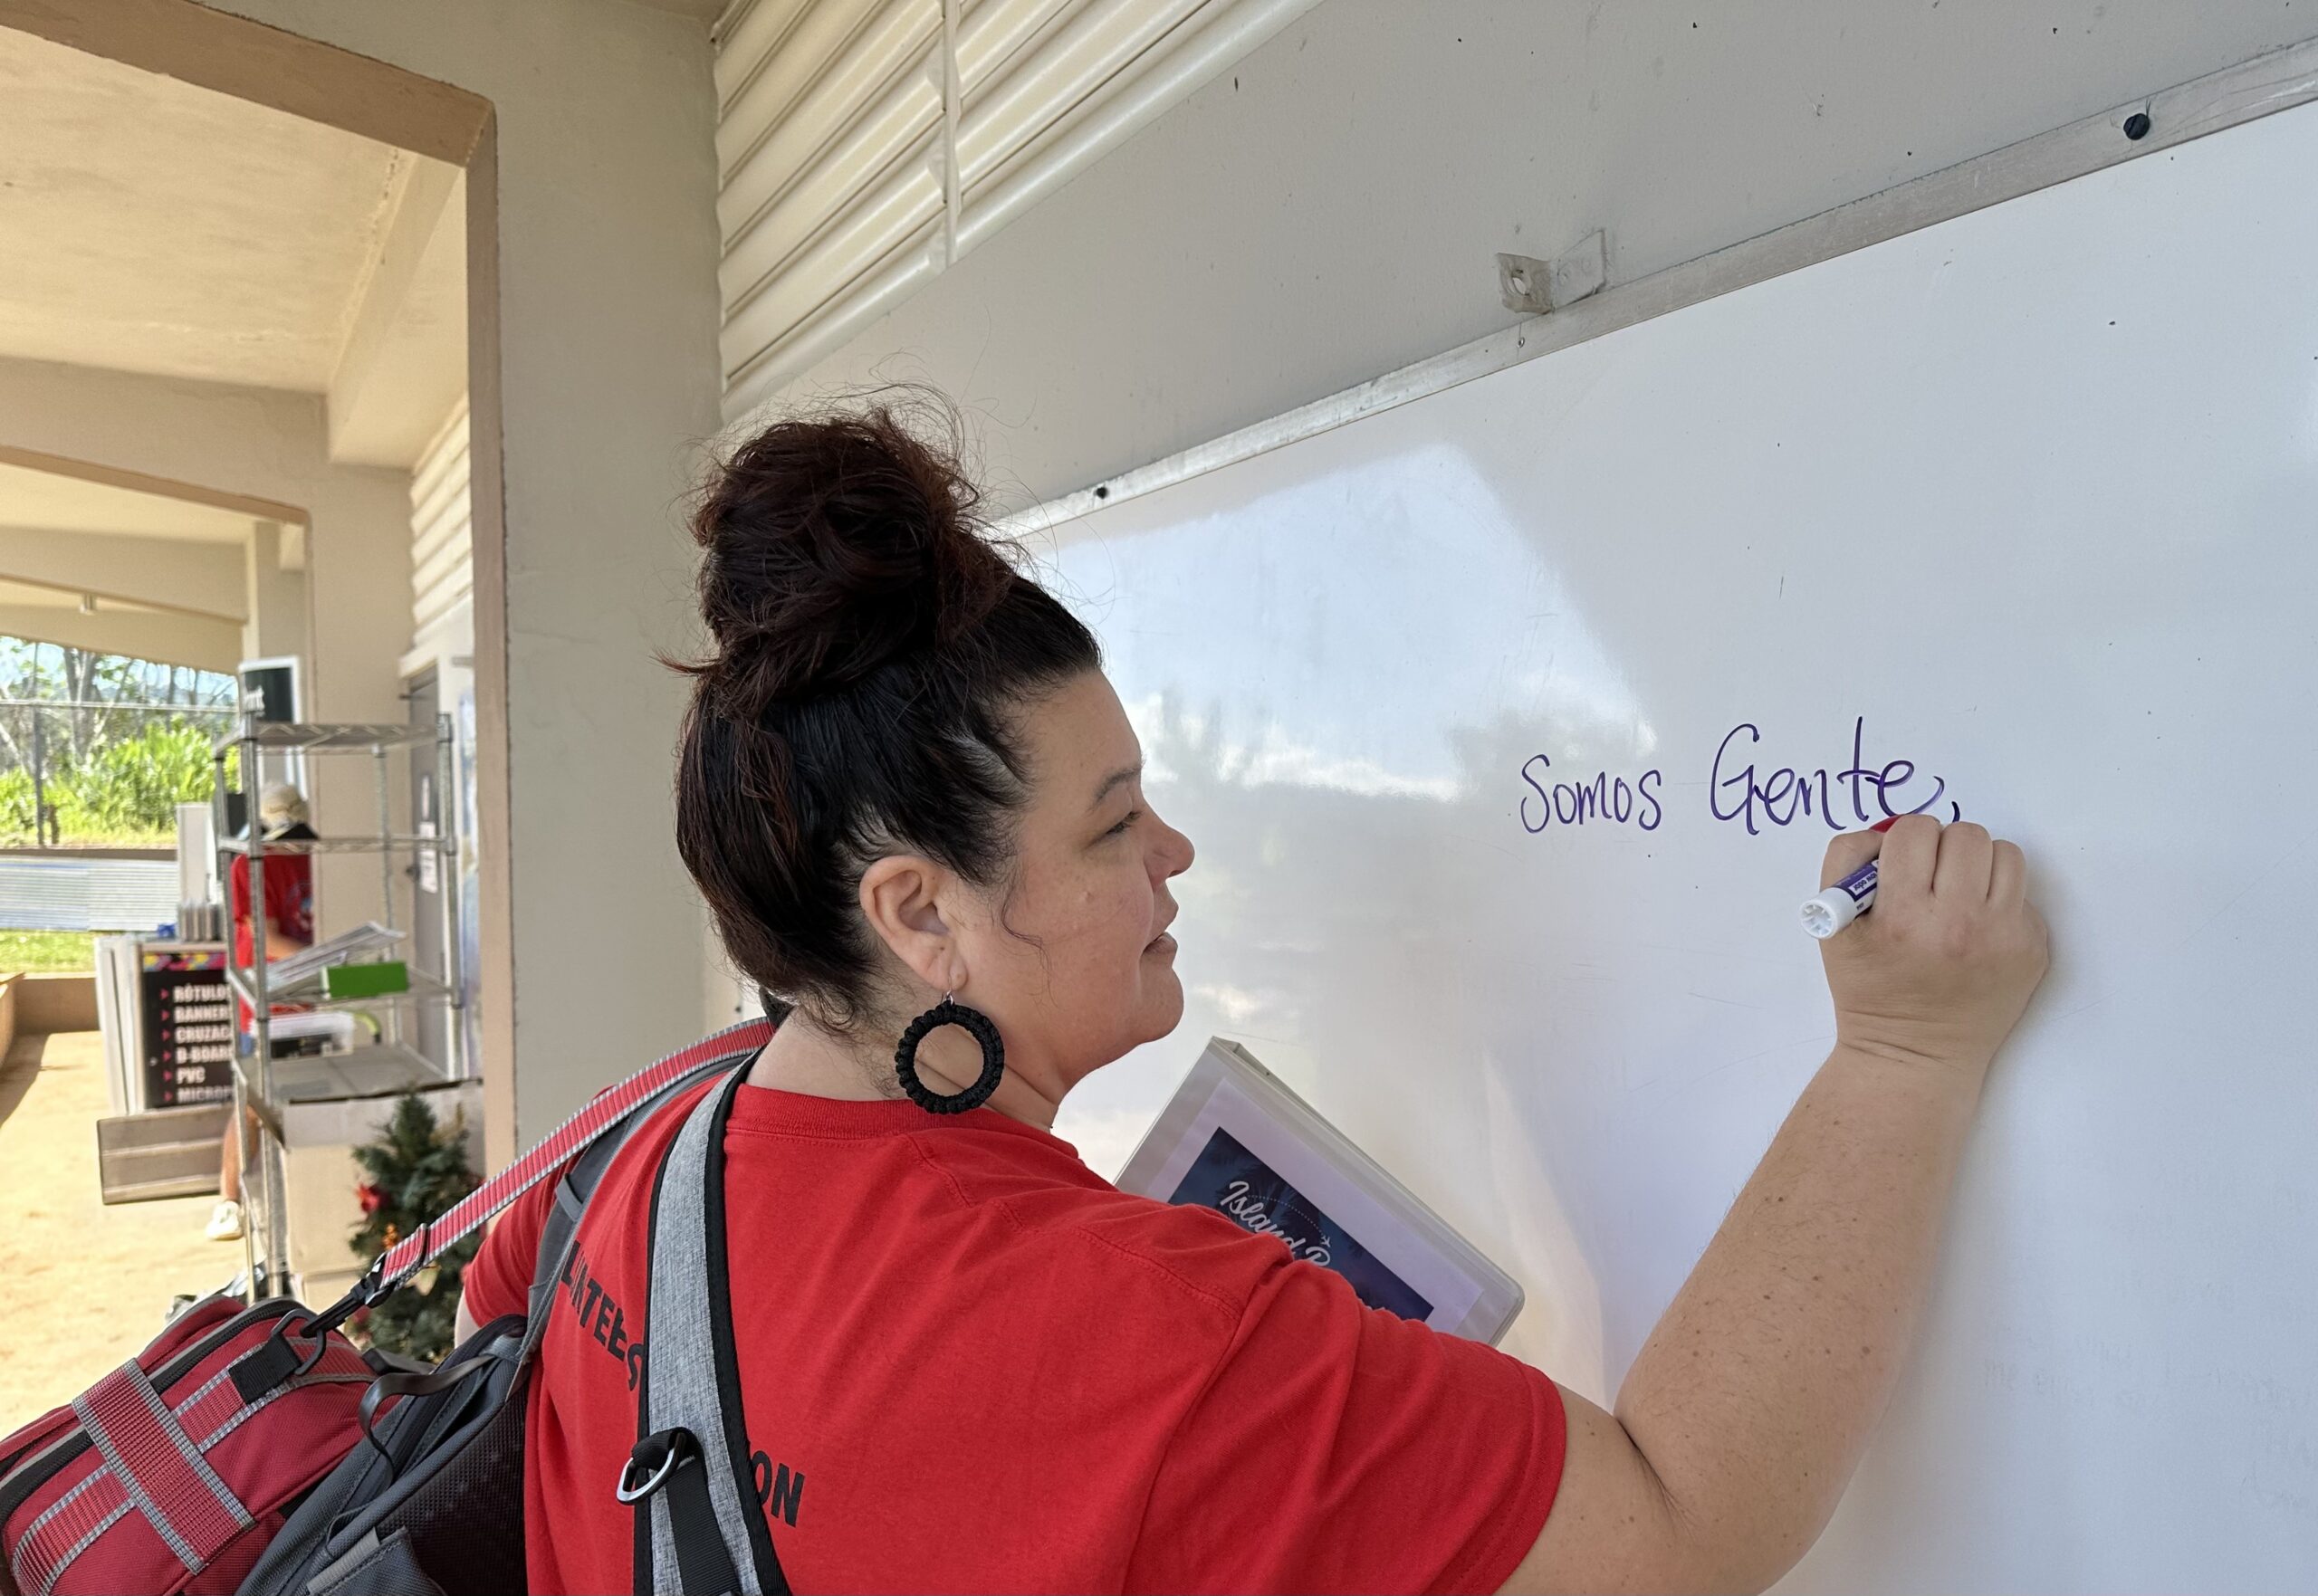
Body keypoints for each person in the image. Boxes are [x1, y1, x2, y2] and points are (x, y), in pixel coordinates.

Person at [461, 401, 2047, 1593]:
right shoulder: (1150, 1339)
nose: (1174, 850)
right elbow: (1679, 1523)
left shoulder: (630, 1143)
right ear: (921, 912)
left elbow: (502, 1338)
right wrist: (1904, 1050)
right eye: (1111, 824)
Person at [207, 782, 315, 1243]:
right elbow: (268, 939)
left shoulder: (311, 856)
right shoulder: (249, 865)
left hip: (309, 997)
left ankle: (303, 1198)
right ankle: (228, 1202)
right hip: (267, 1001)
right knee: (253, 1102)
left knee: (310, 1094)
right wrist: (326, 961)